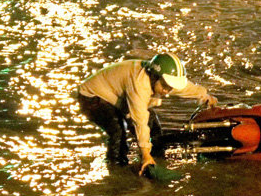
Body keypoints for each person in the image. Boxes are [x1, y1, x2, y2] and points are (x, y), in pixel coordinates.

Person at [77, 53, 218, 175]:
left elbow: (184, 88)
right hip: (92, 96)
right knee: (118, 129)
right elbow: (139, 121)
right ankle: (116, 169)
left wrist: (204, 95)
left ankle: (157, 158)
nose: (167, 91)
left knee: (154, 126)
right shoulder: (140, 85)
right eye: (165, 86)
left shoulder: (161, 81)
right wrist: (144, 153)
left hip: (115, 96)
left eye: (170, 87)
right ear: (154, 76)